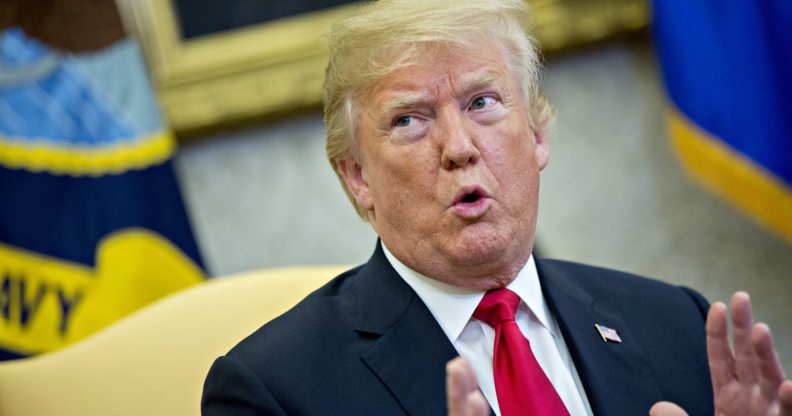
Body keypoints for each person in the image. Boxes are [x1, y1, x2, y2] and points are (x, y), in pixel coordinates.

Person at [201, 0, 792, 414]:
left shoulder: (676, 324)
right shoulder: (273, 391)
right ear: (357, 177)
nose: (458, 147)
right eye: (408, 120)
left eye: (482, 102)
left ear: (537, 135)